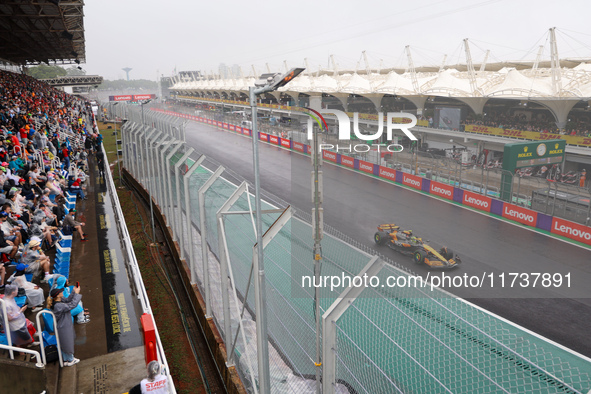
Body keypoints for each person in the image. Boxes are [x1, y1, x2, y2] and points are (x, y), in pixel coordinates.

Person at [47, 286, 82, 366]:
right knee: (67, 343)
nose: (62, 292)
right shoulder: (58, 306)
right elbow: (72, 305)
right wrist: (76, 294)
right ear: (58, 295)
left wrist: (73, 291)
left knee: (64, 343)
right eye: (61, 292)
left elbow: (68, 300)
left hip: (63, 325)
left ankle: (67, 359)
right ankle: (70, 360)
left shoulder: (58, 301)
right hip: (63, 326)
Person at [3, 284, 38, 349]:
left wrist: (19, 309)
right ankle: (27, 346)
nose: (17, 292)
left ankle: (26, 345)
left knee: (23, 335)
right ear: (13, 292)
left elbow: (13, 309)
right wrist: (21, 310)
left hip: (19, 322)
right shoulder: (6, 304)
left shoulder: (10, 298)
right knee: (25, 339)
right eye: (16, 291)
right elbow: (9, 318)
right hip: (17, 326)